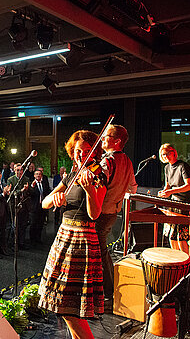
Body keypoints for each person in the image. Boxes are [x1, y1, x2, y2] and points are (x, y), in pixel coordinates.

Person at [38, 130, 106, 339]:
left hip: (82, 241)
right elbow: (44, 203)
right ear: (72, 151)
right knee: (64, 305)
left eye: (87, 151)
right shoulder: (69, 175)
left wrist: (88, 189)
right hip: (63, 238)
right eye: (78, 151)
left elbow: (94, 213)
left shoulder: (98, 176)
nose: (82, 155)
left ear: (94, 153)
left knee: (68, 306)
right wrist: (57, 197)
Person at [97, 124, 138, 305]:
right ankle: (108, 288)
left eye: (106, 136)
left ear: (117, 141)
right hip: (113, 212)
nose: (102, 139)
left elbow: (99, 184)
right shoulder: (128, 161)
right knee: (101, 248)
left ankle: (108, 290)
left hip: (100, 211)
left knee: (99, 250)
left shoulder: (107, 161)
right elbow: (133, 187)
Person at [158, 143, 190, 254]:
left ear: (174, 152)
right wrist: (163, 192)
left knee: (181, 237)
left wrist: (171, 191)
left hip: (183, 203)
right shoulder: (166, 168)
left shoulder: (182, 166)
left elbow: (188, 185)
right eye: (163, 154)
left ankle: (186, 263)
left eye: (168, 153)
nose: (165, 156)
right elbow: (168, 185)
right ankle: (177, 262)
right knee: (172, 236)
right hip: (172, 203)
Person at [7, 163, 31, 250]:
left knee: (23, 226)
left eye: (21, 170)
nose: (19, 172)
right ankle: (14, 244)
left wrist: (28, 189)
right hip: (15, 206)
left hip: (24, 206)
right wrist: (21, 190)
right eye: (17, 170)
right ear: (14, 170)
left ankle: (21, 243)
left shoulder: (26, 179)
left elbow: (31, 192)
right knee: (15, 226)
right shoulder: (11, 180)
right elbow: (12, 193)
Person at [29, 169, 51, 245]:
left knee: (40, 224)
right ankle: (32, 240)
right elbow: (30, 193)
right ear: (34, 176)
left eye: (39, 174)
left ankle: (38, 238)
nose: (38, 175)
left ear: (41, 176)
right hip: (34, 207)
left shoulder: (44, 183)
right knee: (33, 224)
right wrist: (32, 186)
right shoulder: (32, 184)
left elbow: (47, 192)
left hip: (42, 207)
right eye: (37, 174)